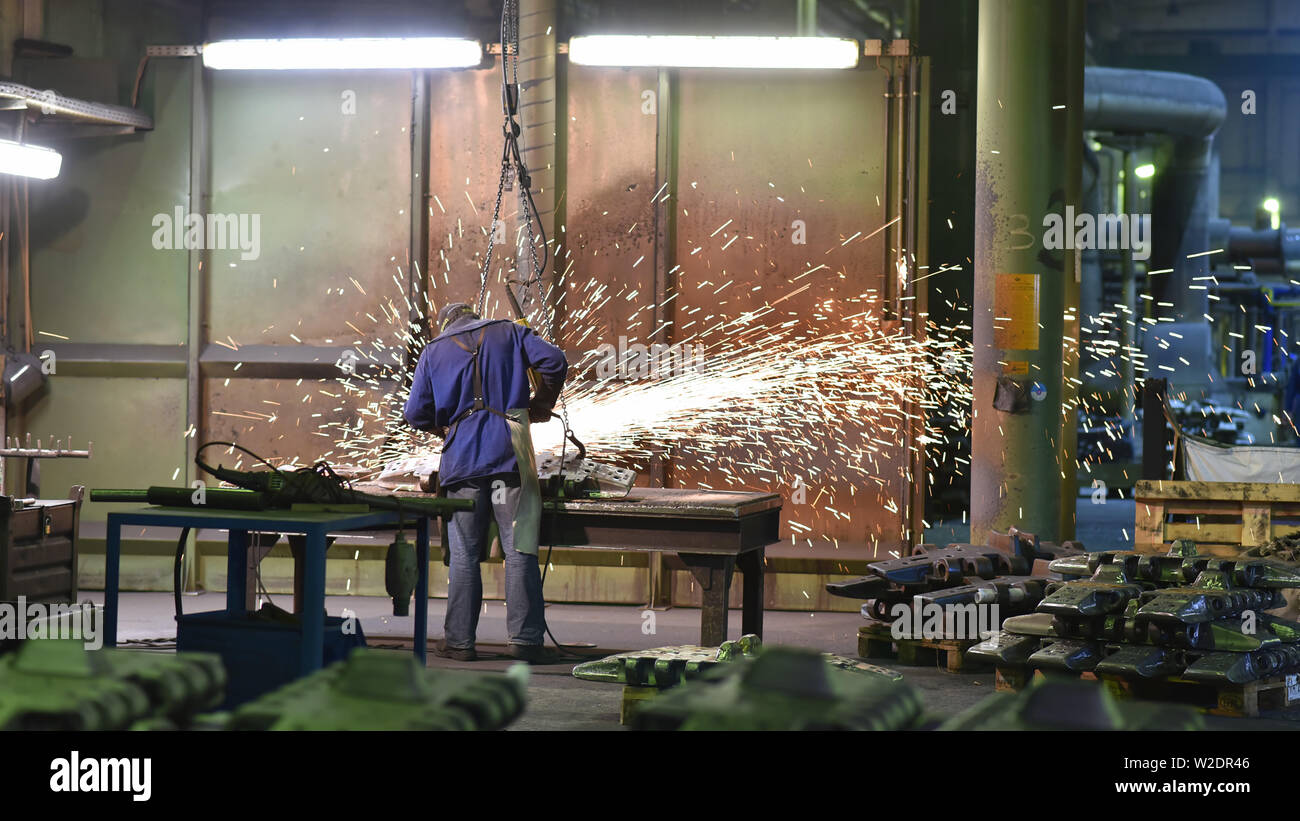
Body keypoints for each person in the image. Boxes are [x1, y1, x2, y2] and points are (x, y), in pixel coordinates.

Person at [403, 301, 568, 663]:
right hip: (511, 456)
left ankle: (460, 643)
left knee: (463, 555)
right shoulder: (508, 330)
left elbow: (415, 413)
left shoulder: (433, 351)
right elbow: (555, 362)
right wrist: (540, 404)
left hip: (462, 463)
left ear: (448, 324)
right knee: (520, 549)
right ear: (474, 316)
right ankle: (525, 642)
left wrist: (443, 429)